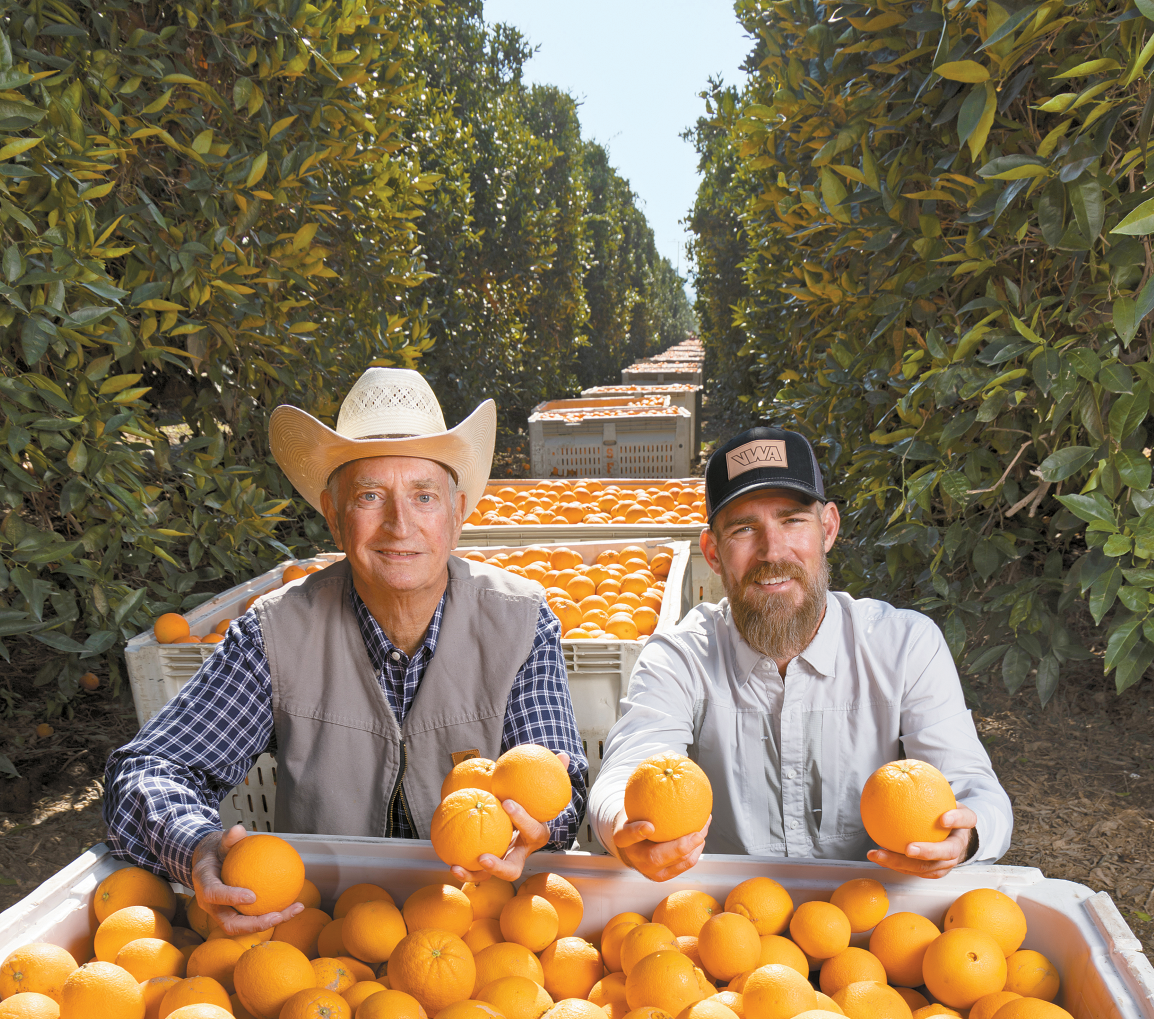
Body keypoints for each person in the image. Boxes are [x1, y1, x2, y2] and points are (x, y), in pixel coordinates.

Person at [104, 369, 587, 934]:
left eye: (423, 496)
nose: (399, 524)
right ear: (334, 516)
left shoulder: (519, 620)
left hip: (476, 928)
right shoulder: (276, 632)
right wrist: (198, 846)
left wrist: (542, 823)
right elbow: (150, 769)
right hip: (317, 929)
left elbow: (558, 776)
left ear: (457, 514)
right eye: (370, 496)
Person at [589, 426, 1012, 883]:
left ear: (827, 528)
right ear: (712, 553)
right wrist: (625, 826)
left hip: (875, 908)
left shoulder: (905, 646)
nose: (773, 552)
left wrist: (964, 837)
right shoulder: (679, 658)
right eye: (744, 528)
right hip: (730, 915)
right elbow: (629, 769)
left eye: (792, 521)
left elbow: (974, 788)